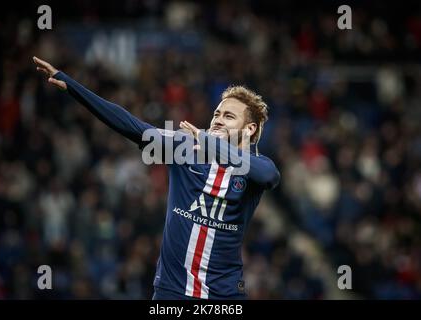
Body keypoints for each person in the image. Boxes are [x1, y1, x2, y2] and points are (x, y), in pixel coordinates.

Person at [33, 56, 280, 300]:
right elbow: (131, 125)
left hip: (224, 296)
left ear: (250, 129)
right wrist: (72, 87)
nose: (217, 120)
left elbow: (269, 176)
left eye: (229, 116)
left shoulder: (256, 167)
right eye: (217, 113)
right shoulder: (184, 149)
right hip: (172, 292)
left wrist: (208, 143)